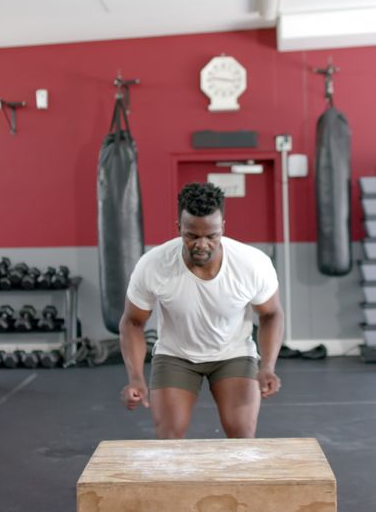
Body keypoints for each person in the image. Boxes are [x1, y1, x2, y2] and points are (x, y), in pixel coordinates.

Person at [119, 182, 285, 439]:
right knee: (169, 437)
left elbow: (271, 314)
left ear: (223, 228)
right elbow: (132, 322)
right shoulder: (154, 265)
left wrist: (267, 366)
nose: (201, 244)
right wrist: (136, 377)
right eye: (192, 236)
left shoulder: (252, 264)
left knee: (242, 435)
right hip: (176, 354)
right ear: (179, 228)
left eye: (211, 236)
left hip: (233, 353)